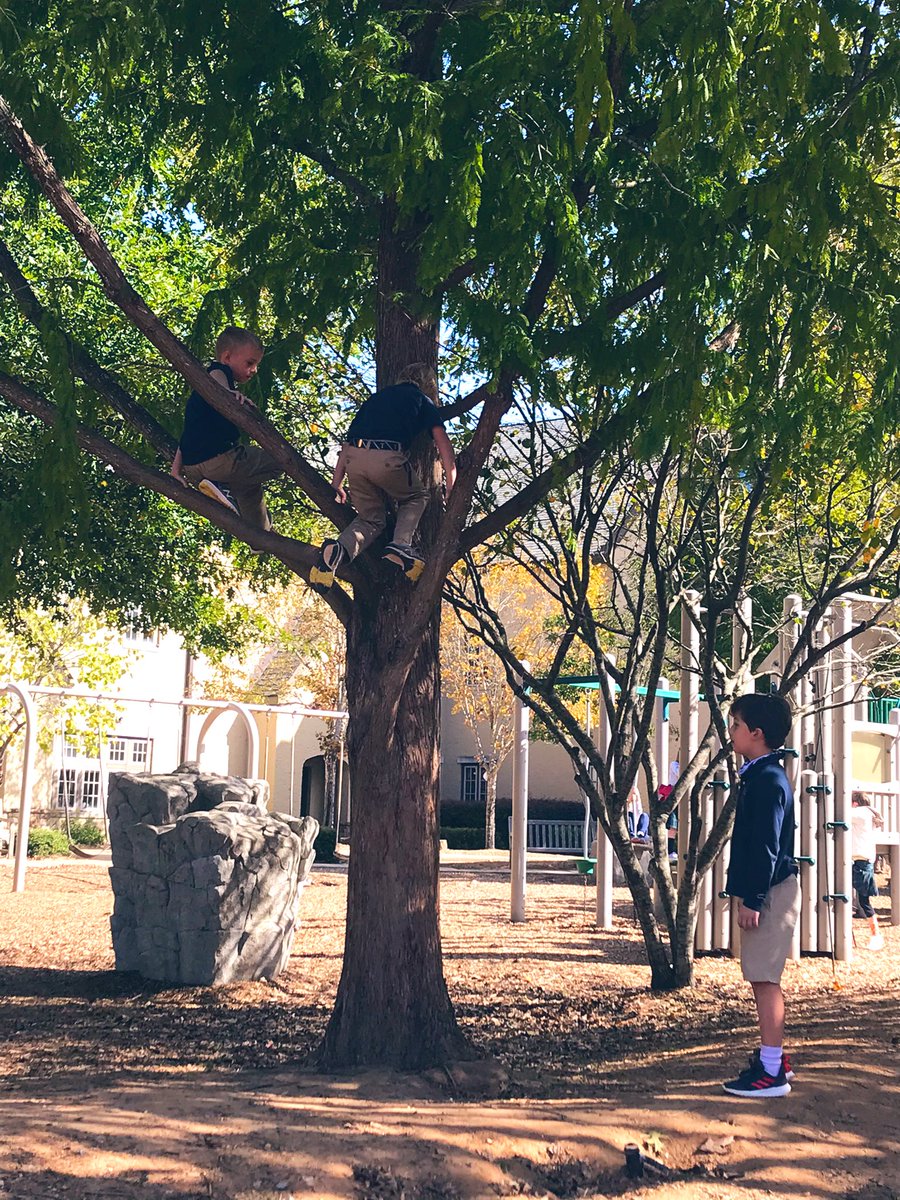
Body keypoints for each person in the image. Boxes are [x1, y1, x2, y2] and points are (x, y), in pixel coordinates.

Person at [309, 364, 457, 589]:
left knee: (370, 518)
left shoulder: (374, 401)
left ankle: (339, 549)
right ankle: (400, 545)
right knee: (416, 496)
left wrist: (336, 483)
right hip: (387, 457)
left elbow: (347, 445)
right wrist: (451, 481)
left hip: (354, 460)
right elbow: (442, 442)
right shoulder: (422, 401)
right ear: (428, 385)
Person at [722, 693, 799, 1099]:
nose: (731, 731)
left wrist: (752, 898)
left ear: (756, 733)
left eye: (736, 725)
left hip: (771, 891)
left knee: (765, 980)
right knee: (761, 978)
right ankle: (775, 1060)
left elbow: (767, 846)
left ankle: (771, 1072)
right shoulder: (760, 775)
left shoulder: (769, 781)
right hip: (768, 889)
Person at [170, 326, 280, 530]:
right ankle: (224, 487)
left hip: (193, 468)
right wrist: (230, 394)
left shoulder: (199, 395)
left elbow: (188, 432)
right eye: (250, 363)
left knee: (250, 485)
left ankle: (260, 535)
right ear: (227, 357)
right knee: (282, 459)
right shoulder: (219, 372)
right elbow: (218, 385)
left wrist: (176, 470)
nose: (254, 370)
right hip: (221, 462)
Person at [851, 790, 885, 951]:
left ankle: (876, 935)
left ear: (855, 803)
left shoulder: (860, 813)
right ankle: (875, 935)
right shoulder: (870, 815)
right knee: (863, 901)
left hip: (860, 861)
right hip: (864, 861)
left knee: (863, 901)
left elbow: (841, 813)